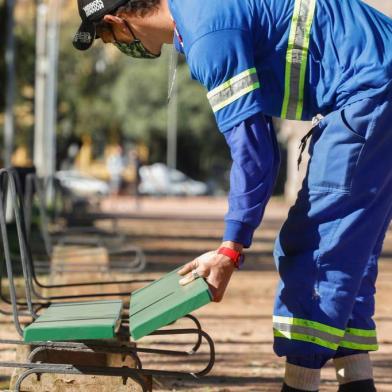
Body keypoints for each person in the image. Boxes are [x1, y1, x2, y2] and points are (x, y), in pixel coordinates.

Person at [72, 0, 392, 390]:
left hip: (369, 89)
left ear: (115, 20)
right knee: (349, 251)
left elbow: (254, 153)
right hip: (374, 81)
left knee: (316, 248)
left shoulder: (207, 32)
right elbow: (264, 151)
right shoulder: (200, 14)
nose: (117, 45)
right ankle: (357, 383)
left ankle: (300, 384)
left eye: (108, 37)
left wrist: (230, 247)